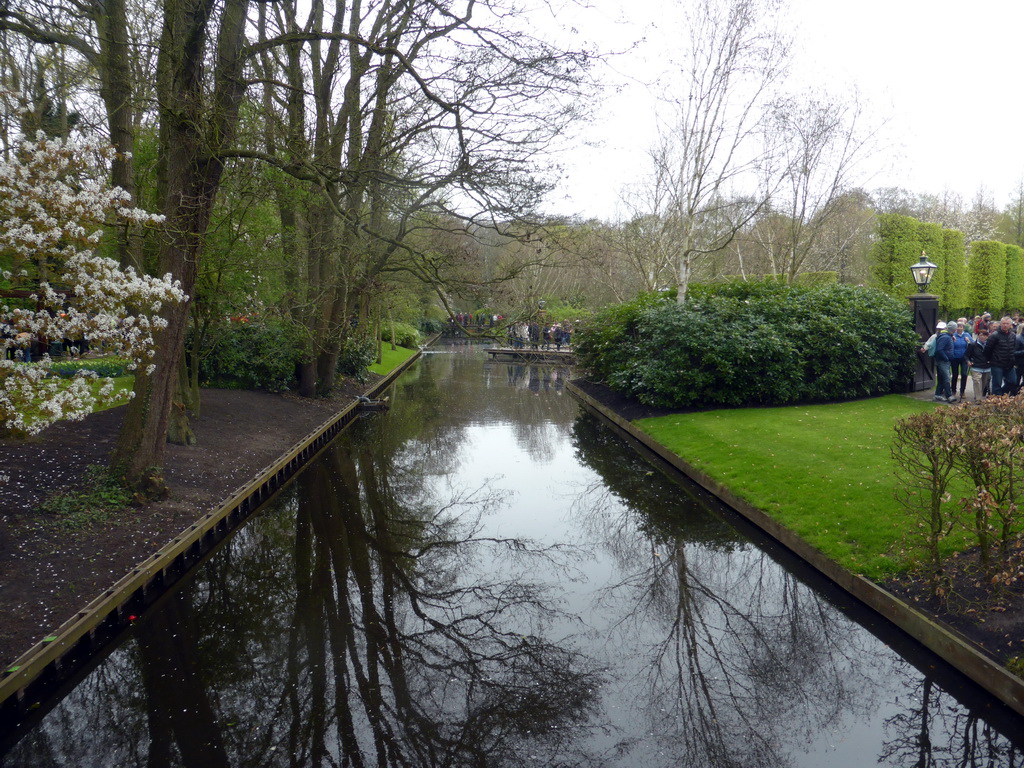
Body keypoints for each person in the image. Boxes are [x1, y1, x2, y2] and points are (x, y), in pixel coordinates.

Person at [985, 316, 1018, 396]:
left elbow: (1014, 348)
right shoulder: (994, 336)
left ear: (1010, 325)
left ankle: (1001, 395)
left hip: (1009, 364)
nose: (1005, 325)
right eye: (1003, 323)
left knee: (1013, 382)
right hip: (997, 364)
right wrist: (990, 360)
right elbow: (987, 349)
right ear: (1000, 324)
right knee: (997, 384)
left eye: (1007, 323)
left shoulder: (1013, 335)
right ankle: (996, 402)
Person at [948, 320, 972, 401]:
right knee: (955, 374)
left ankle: (962, 391)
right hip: (955, 357)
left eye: (960, 327)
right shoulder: (953, 335)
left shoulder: (967, 335)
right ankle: (953, 390)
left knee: (964, 374)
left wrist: (968, 341)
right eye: (957, 326)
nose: (959, 328)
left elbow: (972, 344)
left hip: (964, 358)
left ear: (963, 328)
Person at [966, 328, 991, 401]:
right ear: (978, 336)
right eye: (981, 335)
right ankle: (978, 398)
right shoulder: (972, 345)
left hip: (986, 367)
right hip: (976, 366)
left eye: (985, 335)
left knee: (984, 383)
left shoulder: (989, 345)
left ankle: (978, 394)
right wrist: (968, 361)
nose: (983, 337)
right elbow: (966, 355)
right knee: (977, 381)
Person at [933, 321, 954, 402]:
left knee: (941, 378)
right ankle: (949, 395)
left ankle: (938, 395)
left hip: (942, 360)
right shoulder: (945, 337)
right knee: (946, 378)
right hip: (943, 361)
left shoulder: (946, 336)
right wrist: (946, 358)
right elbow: (939, 349)